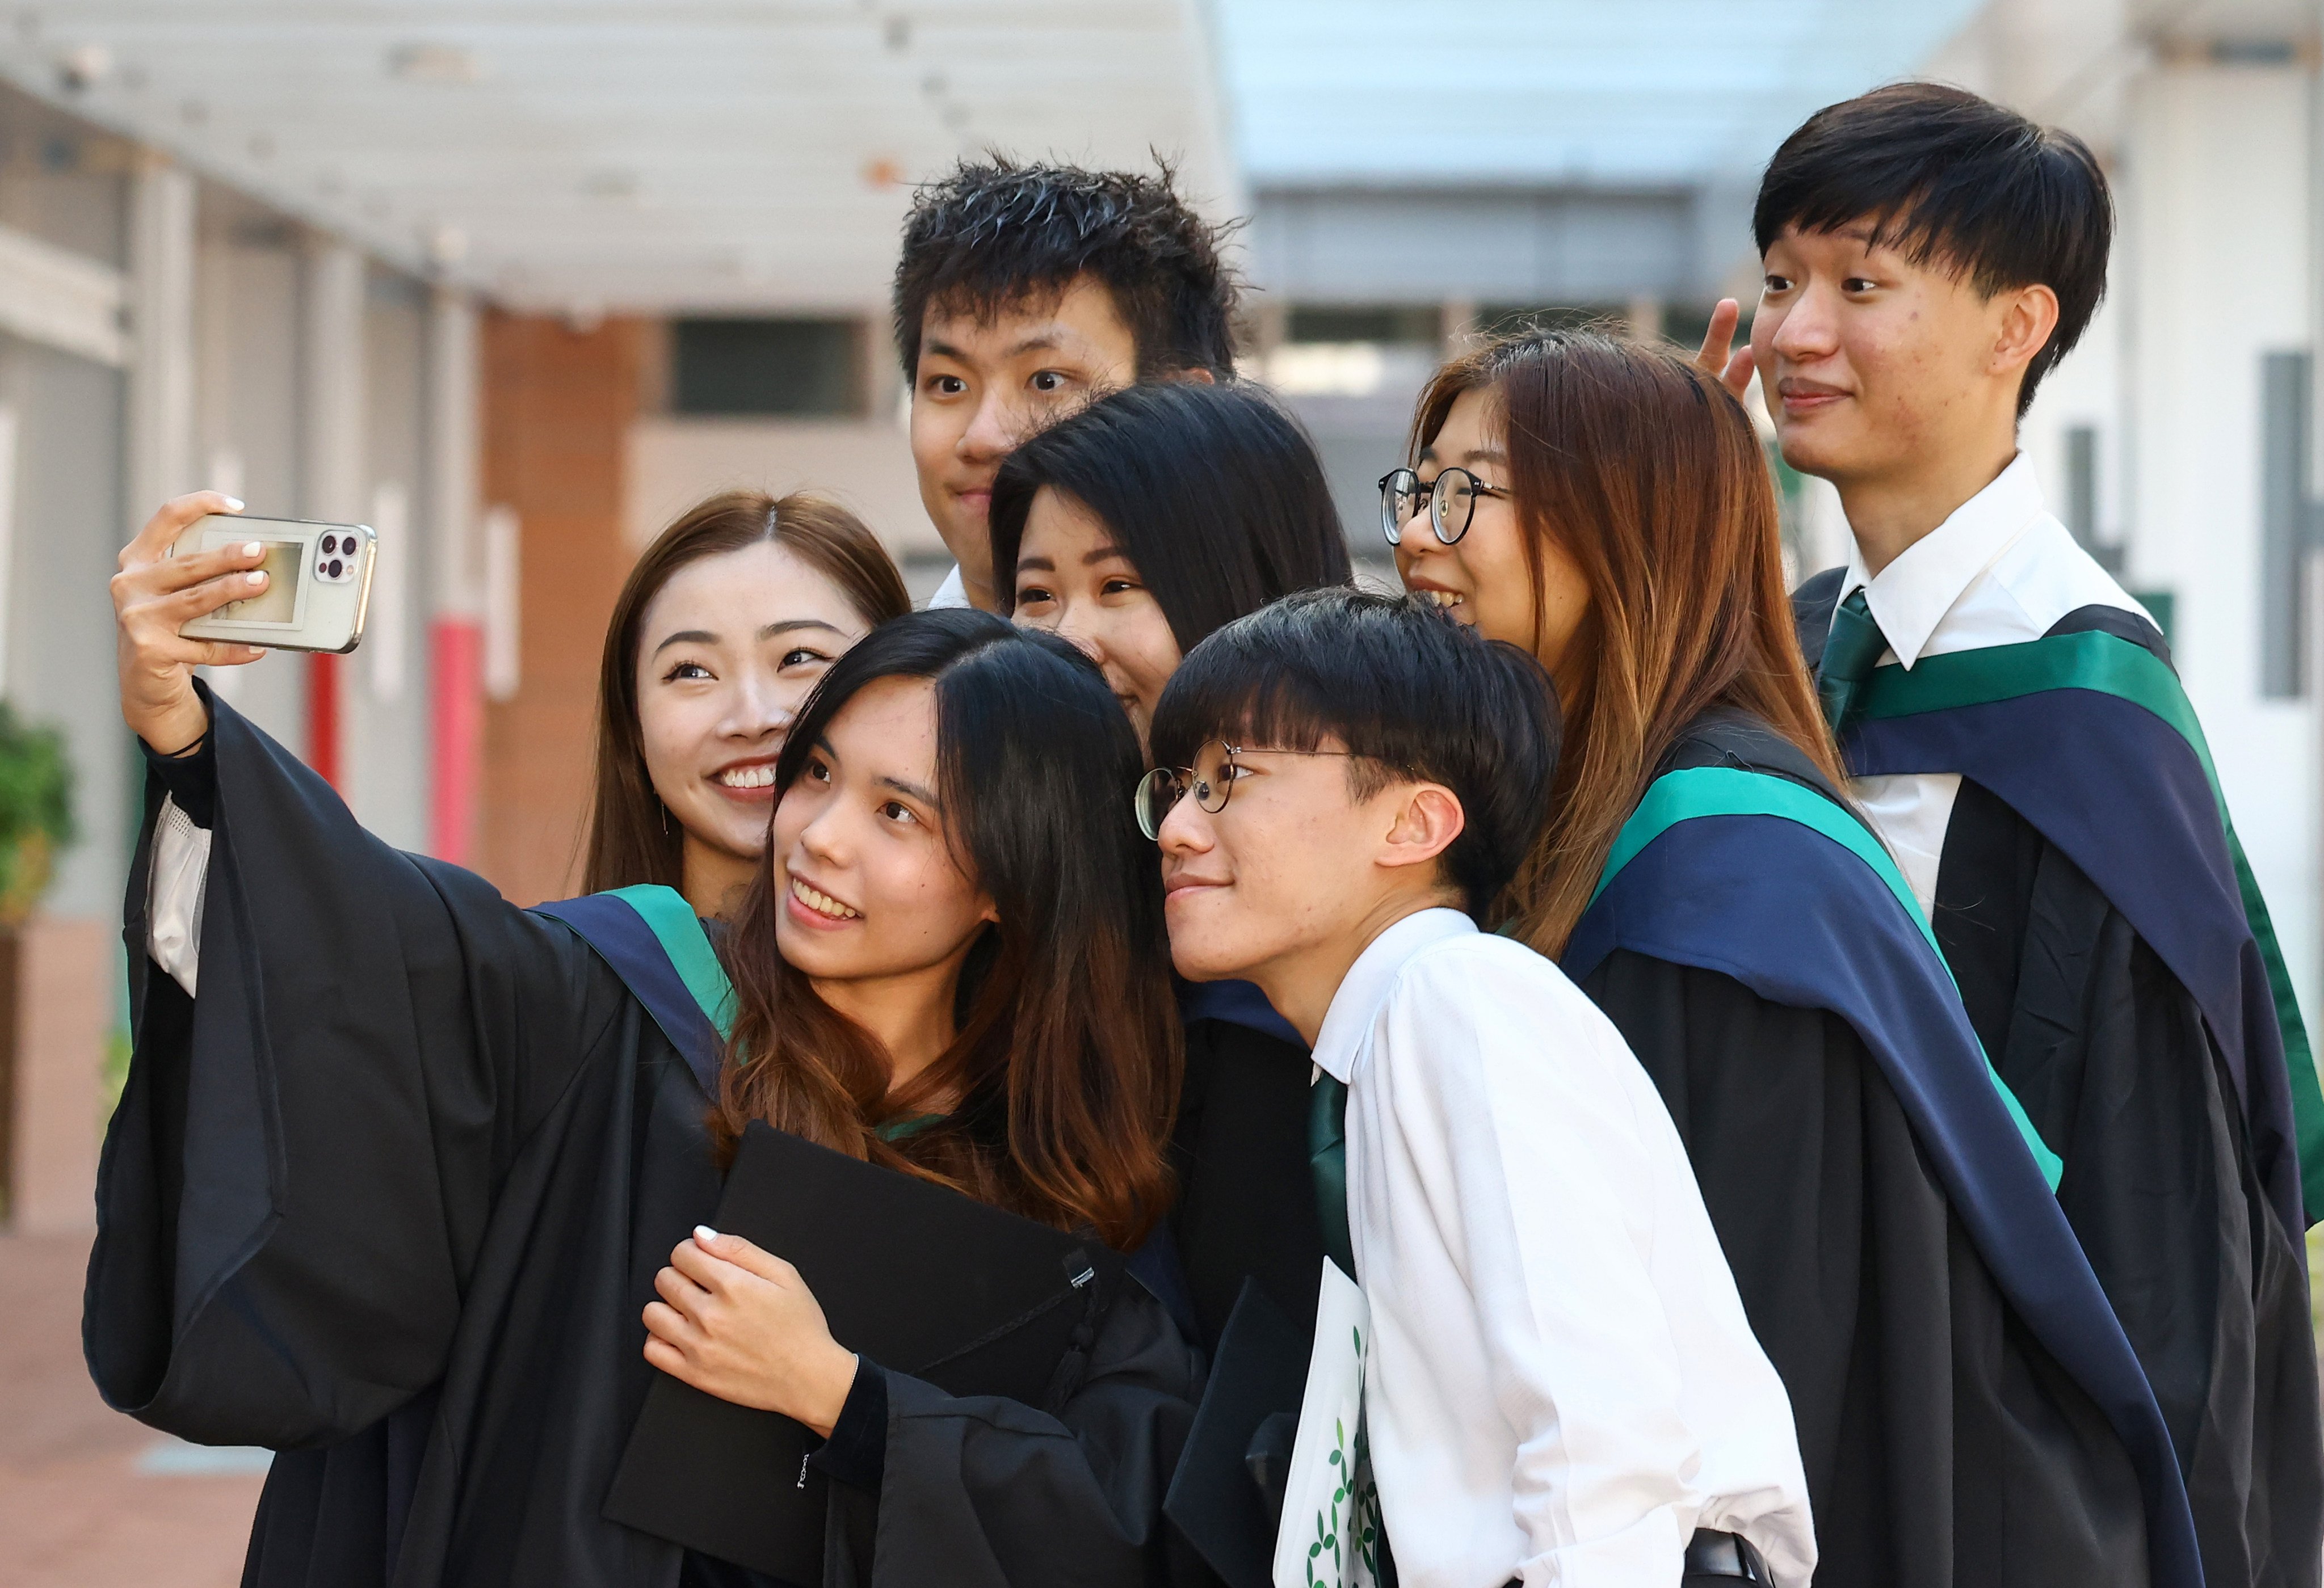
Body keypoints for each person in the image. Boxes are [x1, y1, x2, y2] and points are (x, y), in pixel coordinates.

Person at [89, 491, 1196, 1588]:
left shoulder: (1048, 1169)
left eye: (897, 811)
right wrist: (188, 735)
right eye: (820, 776)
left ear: (1014, 874)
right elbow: (358, 940)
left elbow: (1114, 1511)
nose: (814, 837)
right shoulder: (605, 996)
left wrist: (844, 1397)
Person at [1389, 325, 2201, 1586]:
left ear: (1621, 525)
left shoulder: (1717, 886)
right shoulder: (1599, 813)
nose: (1415, 539)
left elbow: (1743, 1376)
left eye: (1465, 494)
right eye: (1416, 488)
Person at [1751, 83, 2322, 1586]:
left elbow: (2159, 1241)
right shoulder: (1804, 646)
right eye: (1774, 280)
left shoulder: (2073, 711)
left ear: (2014, 327)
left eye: (1856, 284)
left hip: (1992, 1490)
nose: (1789, 335)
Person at [1146, 588, 1818, 1587]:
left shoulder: (1459, 997)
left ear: (1416, 821)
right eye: (1177, 785)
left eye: (1231, 777)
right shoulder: (1382, 1042)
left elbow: (1596, 1422)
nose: (1175, 829)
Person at [989, 377, 1354, 1354]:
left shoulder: (1293, 994)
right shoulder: (1027, 904)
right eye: (1036, 595)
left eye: (1119, 586)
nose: (1066, 640)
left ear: (1241, 593)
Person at [893, 157, 1239, 612]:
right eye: (949, 384)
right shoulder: (867, 680)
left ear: (1186, 408)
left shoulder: (1295, 679)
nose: (981, 437)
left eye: (1046, 380)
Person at [581, 488, 910, 917]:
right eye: (692, 671)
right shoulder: (564, 977)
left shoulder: (996, 979)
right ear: (634, 723)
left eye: (798, 658)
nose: (753, 718)